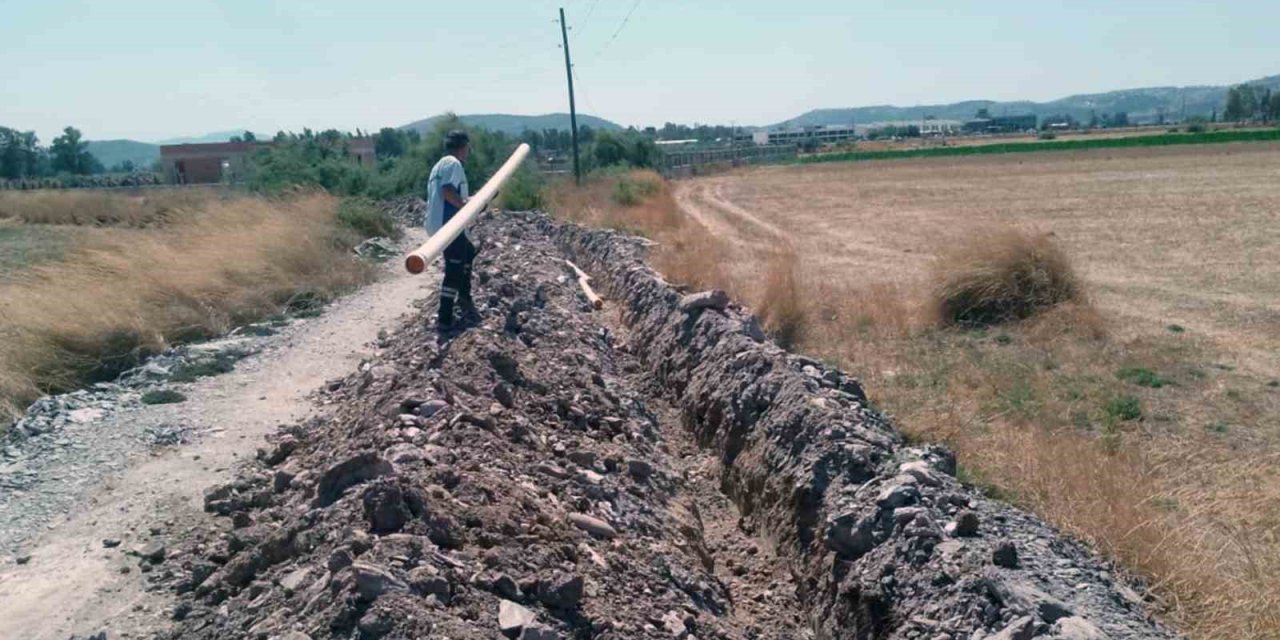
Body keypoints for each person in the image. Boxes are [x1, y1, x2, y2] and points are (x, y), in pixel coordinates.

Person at [425, 130, 479, 330]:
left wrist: (470, 202)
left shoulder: (440, 165)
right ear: (463, 147)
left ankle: (464, 298)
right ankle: (445, 318)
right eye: (468, 148)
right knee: (454, 268)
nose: (468, 152)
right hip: (448, 225)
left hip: (444, 223)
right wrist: (466, 207)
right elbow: (447, 191)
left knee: (468, 251)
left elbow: (450, 193)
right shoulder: (453, 164)